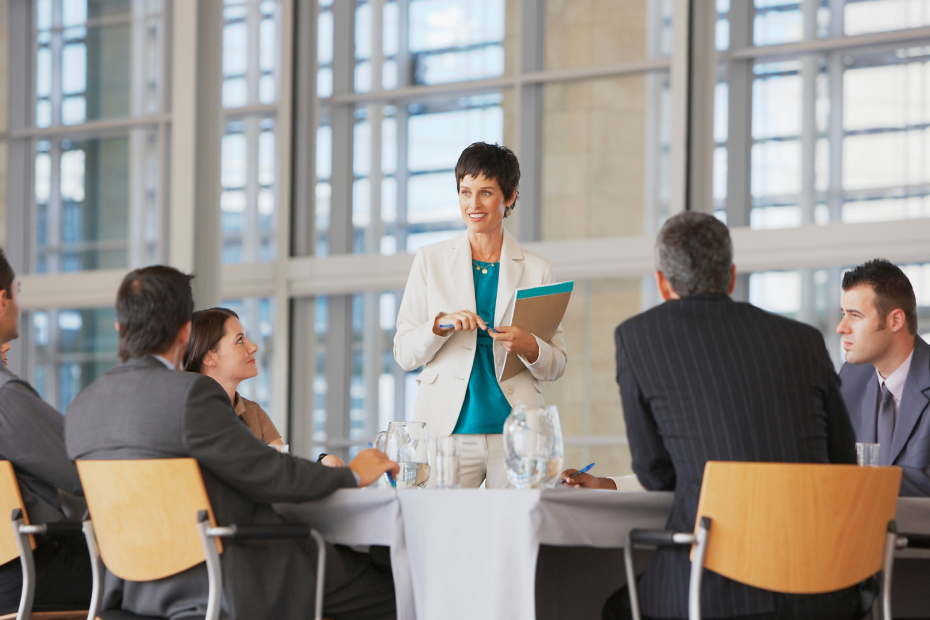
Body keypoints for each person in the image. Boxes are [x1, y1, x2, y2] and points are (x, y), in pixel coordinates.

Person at [562, 213, 863, 620]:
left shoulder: (638, 336)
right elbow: (843, 465)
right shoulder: (804, 340)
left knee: (607, 605)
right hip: (822, 589)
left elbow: (657, 475)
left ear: (662, 283)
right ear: (732, 277)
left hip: (711, 589)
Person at [66, 266, 399, 620]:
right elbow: (269, 472)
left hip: (133, 590)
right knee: (397, 588)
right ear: (185, 330)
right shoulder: (192, 394)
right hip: (230, 577)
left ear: (119, 328)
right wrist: (351, 475)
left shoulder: (80, 408)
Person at [393, 142, 567, 489]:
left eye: (486, 193)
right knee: (443, 534)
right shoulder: (431, 260)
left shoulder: (537, 269)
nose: (473, 205)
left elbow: (556, 364)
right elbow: (404, 353)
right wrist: (439, 326)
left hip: (517, 433)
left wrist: (529, 345)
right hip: (448, 431)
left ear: (511, 195)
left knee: (515, 535)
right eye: (465, 192)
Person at [0, 249, 92, 614]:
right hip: (27, 573)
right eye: (17, 292)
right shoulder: (6, 397)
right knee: (155, 574)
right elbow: (85, 468)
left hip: (15, 570)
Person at [182, 307, 345, 467]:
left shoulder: (253, 413)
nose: (254, 346)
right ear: (210, 357)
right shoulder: (186, 416)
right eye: (240, 340)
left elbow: (284, 474)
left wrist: (323, 464)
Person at [837, 259, 930, 491]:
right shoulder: (851, 378)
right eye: (843, 314)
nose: (841, 327)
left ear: (895, 320)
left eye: (855, 315)